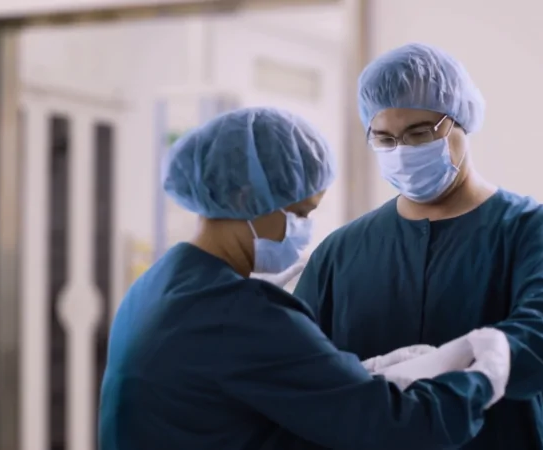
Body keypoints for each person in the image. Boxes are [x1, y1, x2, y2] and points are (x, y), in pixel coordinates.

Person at [98, 106, 512, 450]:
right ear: (246, 198)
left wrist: (365, 374)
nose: (303, 229)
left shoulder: (158, 284)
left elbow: (263, 383)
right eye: (300, 215)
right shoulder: (239, 313)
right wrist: (479, 381)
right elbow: (390, 427)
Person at [293, 43, 543, 450]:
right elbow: (300, 370)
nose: (402, 152)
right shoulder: (341, 251)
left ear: (460, 121)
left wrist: (465, 364)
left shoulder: (530, 229)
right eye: (385, 139)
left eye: (419, 133)